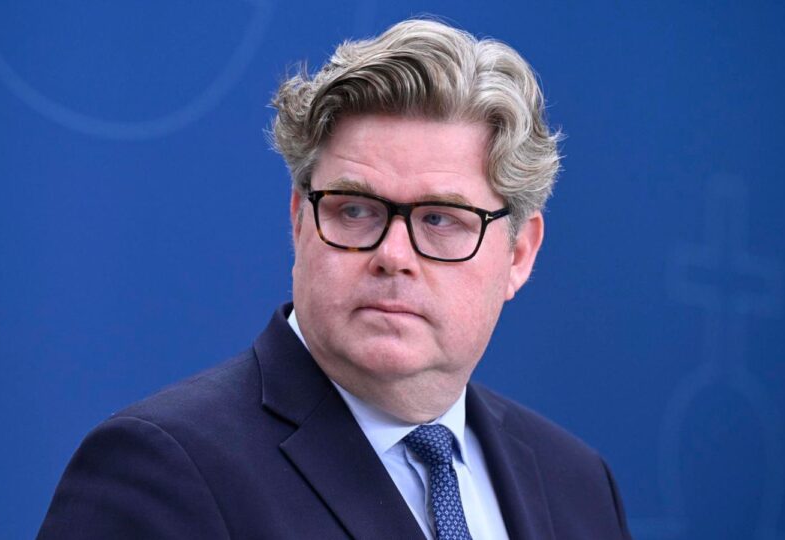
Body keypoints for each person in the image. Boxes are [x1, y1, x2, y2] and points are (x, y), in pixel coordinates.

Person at [38, 18, 632, 540]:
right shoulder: (160, 470)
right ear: (300, 221)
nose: (393, 255)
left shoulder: (577, 483)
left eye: (440, 219)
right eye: (355, 210)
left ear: (519, 254)